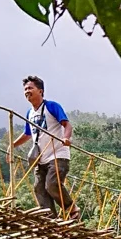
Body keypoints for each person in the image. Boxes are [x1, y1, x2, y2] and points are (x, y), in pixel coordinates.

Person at [12, 75, 77, 219]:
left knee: (52, 184)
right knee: (39, 188)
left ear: (40, 91)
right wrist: (12, 145)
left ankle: (72, 210)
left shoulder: (51, 106)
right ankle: (50, 219)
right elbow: (27, 134)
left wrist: (66, 138)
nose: (27, 91)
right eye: (25, 89)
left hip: (57, 155)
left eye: (30, 88)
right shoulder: (30, 113)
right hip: (40, 158)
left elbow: (67, 124)